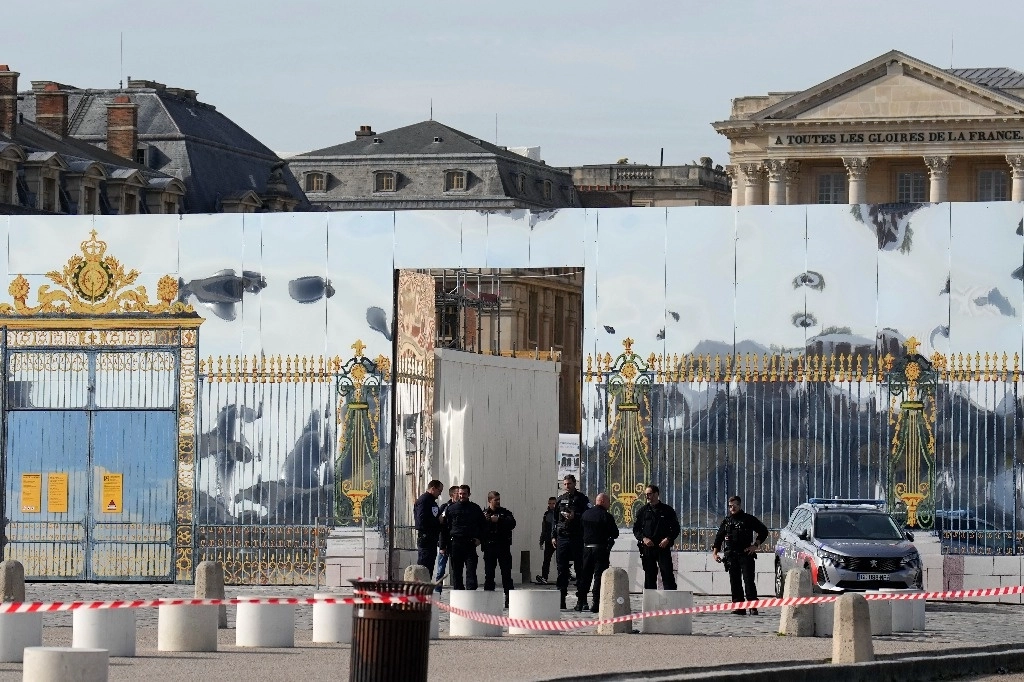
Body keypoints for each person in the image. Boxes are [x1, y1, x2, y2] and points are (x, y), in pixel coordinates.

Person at [712, 495, 769, 615]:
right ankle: (739, 606)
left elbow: (763, 531)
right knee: (735, 581)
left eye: (734, 506)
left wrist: (755, 545)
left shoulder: (748, 519)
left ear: (739, 505)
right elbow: (719, 537)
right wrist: (715, 553)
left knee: (749, 581)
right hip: (731, 556)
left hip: (745, 554)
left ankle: (753, 606)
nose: (732, 508)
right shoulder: (727, 521)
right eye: (730, 506)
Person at [551, 474, 590, 609]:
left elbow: (588, 516)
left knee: (580, 569)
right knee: (562, 570)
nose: (567, 486)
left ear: (575, 484)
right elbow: (555, 520)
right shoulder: (560, 500)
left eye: (569, 484)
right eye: (565, 484)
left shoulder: (582, 499)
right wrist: (553, 536)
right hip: (562, 537)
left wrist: (576, 516)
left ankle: (582, 601)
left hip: (577, 537)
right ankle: (561, 600)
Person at [632, 484, 680, 590]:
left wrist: (668, 539)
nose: (647, 497)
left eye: (650, 494)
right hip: (648, 547)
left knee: (667, 574)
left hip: (663, 546)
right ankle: (650, 603)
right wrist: (644, 539)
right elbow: (636, 529)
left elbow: (676, 528)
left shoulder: (667, 510)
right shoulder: (642, 511)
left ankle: (671, 602)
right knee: (649, 576)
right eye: (646, 495)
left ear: (656, 494)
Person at [576, 492, 619, 612]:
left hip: (586, 548)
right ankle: (596, 603)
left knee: (585, 576)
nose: (609, 505)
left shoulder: (585, 514)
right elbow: (615, 533)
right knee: (599, 576)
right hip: (600, 549)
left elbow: (580, 530)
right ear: (603, 502)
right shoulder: (606, 516)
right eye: (609, 502)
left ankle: (580, 602)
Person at [440, 484, 485, 590]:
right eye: (460, 493)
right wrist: (442, 546)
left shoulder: (475, 508)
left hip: (470, 543)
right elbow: (444, 528)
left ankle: (471, 595)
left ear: (469, 494)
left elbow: (483, 526)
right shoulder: (450, 509)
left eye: (464, 494)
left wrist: (480, 539)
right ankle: (458, 594)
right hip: (455, 544)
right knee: (457, 572)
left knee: (471, 571)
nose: (462, 496)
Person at [481, 490, 517, 607]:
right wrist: (486, 521)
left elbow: (512, 523)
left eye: (499, 499)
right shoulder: (484, 514)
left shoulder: (504, 512)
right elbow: (478, 528)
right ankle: (488, 599)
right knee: (489, 574)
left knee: (506, 574)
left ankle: (509, 599)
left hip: (503, 547)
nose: (498, 502)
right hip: (489, 547)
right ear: (489, 500)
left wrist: (499, 520)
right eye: (495, 500)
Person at [413, 479, 443, 572]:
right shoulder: (424, 500)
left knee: (429, 567)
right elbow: (421, 521)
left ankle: (427, 585)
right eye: (439, 490)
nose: (440, 494)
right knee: (424, 567)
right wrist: (437, 521)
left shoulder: (431, 501)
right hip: (426, 538)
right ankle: (422, 586)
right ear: (433, 488)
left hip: (432, 539)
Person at [433, 485, 458, 593]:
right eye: (457, 493)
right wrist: (442, 545)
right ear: (452, 494)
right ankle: (438, 590)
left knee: (457, 568)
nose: (459, 495)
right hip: (445, 542)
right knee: (441, 569)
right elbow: (442, 527)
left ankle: (458, 589)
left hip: (456, 543)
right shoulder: (445, 507)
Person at [535, 496, 557, 584]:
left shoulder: (559, 513)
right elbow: (544, 528)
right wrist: (541, 540)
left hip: (559, 539)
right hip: (548, 539)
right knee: (546, 559)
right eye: (550, 503)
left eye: (553, 503)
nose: (551, 505)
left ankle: (565, 577)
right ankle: (544, 577)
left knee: (561, 560)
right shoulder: (546, 514)